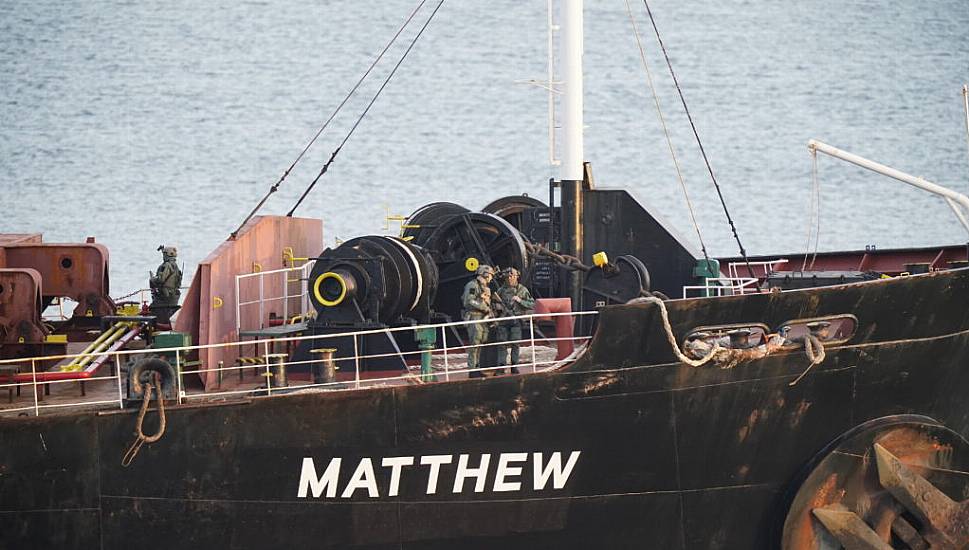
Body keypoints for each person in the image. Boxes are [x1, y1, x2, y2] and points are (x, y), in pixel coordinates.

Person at [494, 267, 535, 374]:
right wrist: (498, 306)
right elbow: (493, 305)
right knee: (502, 344)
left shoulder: (522, 290)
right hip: (503, 320)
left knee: (515, 344)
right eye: (508, 276)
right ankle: (501, 366)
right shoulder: (501, 291)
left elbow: (532, 304)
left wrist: (520, 300)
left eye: (513, 276)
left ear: (517, 277)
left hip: (516, 320)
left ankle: (514, 365)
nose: (511, 278)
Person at [461, 264, 494, 377]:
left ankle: (477, 367)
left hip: (483, 318)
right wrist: (484, 307)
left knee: (481, 342)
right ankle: (472, 369)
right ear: (485, 274)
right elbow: (468, 301)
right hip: (474, 317)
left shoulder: (486, 288)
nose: (491, 277)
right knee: (474, 344)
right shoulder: (472, 286)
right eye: (490, 275)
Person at [149, 245, 182, 323]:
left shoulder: (167, 265)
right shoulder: (175, 266)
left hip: (164, 297)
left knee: (152, 310)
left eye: (164, 254)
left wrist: (152, 279)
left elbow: (161, 279)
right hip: (172, 297)